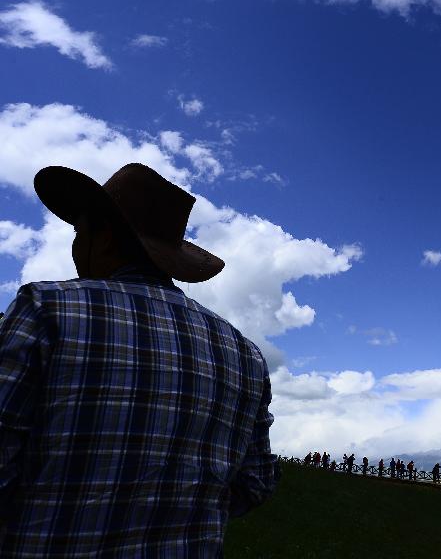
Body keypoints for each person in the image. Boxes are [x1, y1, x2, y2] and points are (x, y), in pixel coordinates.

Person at [0, 163, 278, 556]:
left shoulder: (46, 309)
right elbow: (256, 482)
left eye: (80, 232)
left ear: (107, 237)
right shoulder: (246, 354)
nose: (76, 247)